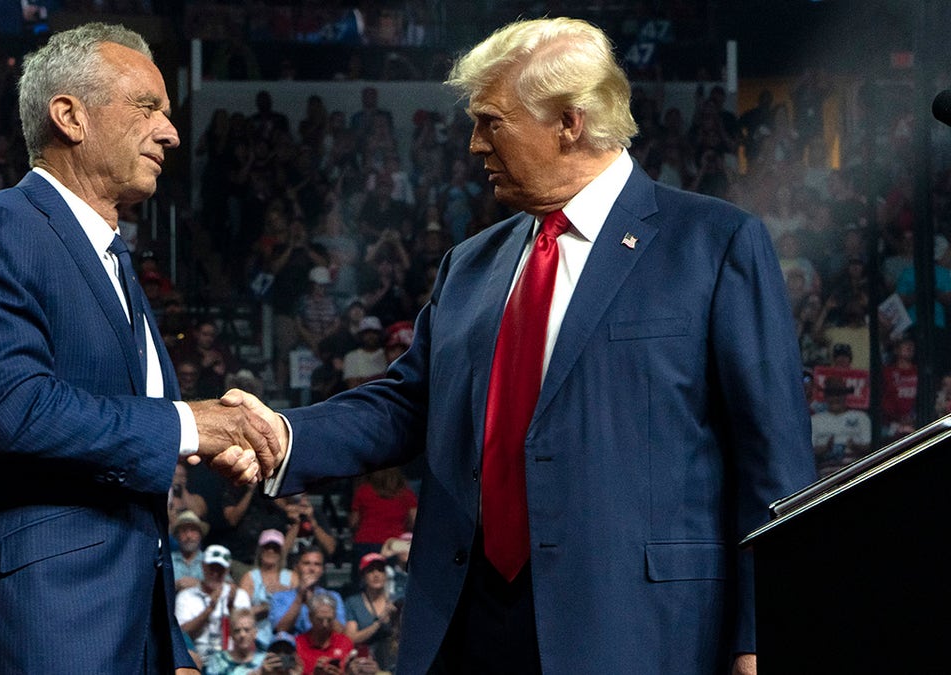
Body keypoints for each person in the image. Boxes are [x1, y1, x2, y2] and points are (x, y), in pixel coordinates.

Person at [239, 17, 815, 674]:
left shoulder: (713, 245)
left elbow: (775, 464)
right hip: (472, 625)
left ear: (570, 121)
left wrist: (761, 634)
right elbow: (407, 405)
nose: (474, 144)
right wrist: (282, 436)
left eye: (491, 121)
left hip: (642, 632)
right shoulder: (471, 264)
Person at [0, 22, 281, 674]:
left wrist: (169, 641)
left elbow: (127, 495)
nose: (170, 131)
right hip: (32, 630)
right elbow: (14, 411)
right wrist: (192, 424)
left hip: (126, 636)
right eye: (148, 107)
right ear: (69, 115)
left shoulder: (115, 263)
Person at [173, 545, 251, 667]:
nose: (215, 573)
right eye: (212, 568)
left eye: (220, 569)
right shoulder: (186, 596)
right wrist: (209, 610)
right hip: (198, 659)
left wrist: (231, 608)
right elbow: (181, 635)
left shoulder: (239, 596)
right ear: (203, 566)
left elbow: (246, 635)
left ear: (227, 570)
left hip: (231, 659)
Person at [268, 547, 344, 637]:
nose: (312, 569)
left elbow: (340, 631)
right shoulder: (280, 597)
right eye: (306, 563)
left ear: (322, 570)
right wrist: (300, 596)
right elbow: (281, 629)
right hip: (292, 647)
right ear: (296, 567)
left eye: (317, 564)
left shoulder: (333, 597)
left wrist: (312, 602)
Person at [341, 553, 398, 670]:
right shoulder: (353, 603)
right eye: (371, 571)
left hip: (392, 660)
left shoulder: (397, 601)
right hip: (364, 660)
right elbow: (351, 638)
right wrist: (378, 623)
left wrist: (395, 619)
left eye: (380, 570)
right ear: (363, 576)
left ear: (386, 575)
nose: (376, 575)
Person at [293, 593, 353, 675]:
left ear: (335, 617)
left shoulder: (344, 642)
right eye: (320, 620)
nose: (325, 625)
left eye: (329, 620)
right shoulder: (298, 644)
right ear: (310, 617)